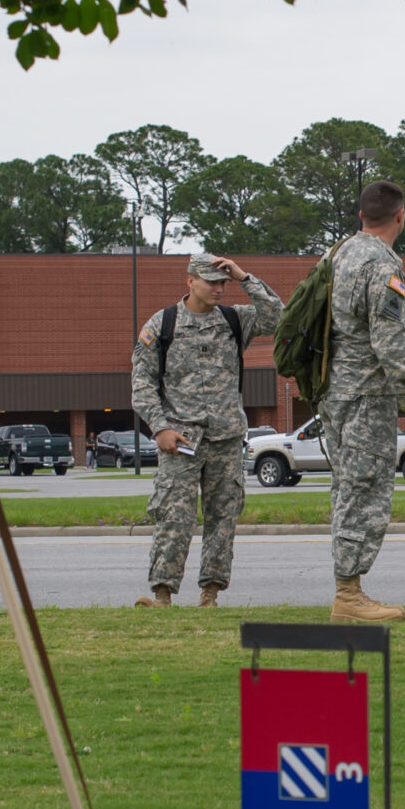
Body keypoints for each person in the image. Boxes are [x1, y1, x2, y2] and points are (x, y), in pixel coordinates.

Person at [130, 253, 284, 608]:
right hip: (180, 441)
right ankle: (163, 595)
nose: (218, 289)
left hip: (226, 439)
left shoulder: (234, 320)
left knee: (222, 519)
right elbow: (142, 384)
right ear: (190, 281)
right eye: (210, 282)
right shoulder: (163, 324)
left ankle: (210, 594)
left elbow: (278, 318)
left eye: (222, 283)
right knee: (174, 516)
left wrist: (244, 277)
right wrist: (160, 429)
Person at [326, 181, 405, 622]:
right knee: (365, 491)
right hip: (368, 396)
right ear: (400, 216)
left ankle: (349, 589)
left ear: (361, 215)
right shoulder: (382, 263)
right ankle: (349, 594)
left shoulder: (337, 254)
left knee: (347, 489)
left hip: (335, 393)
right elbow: (389, 341)